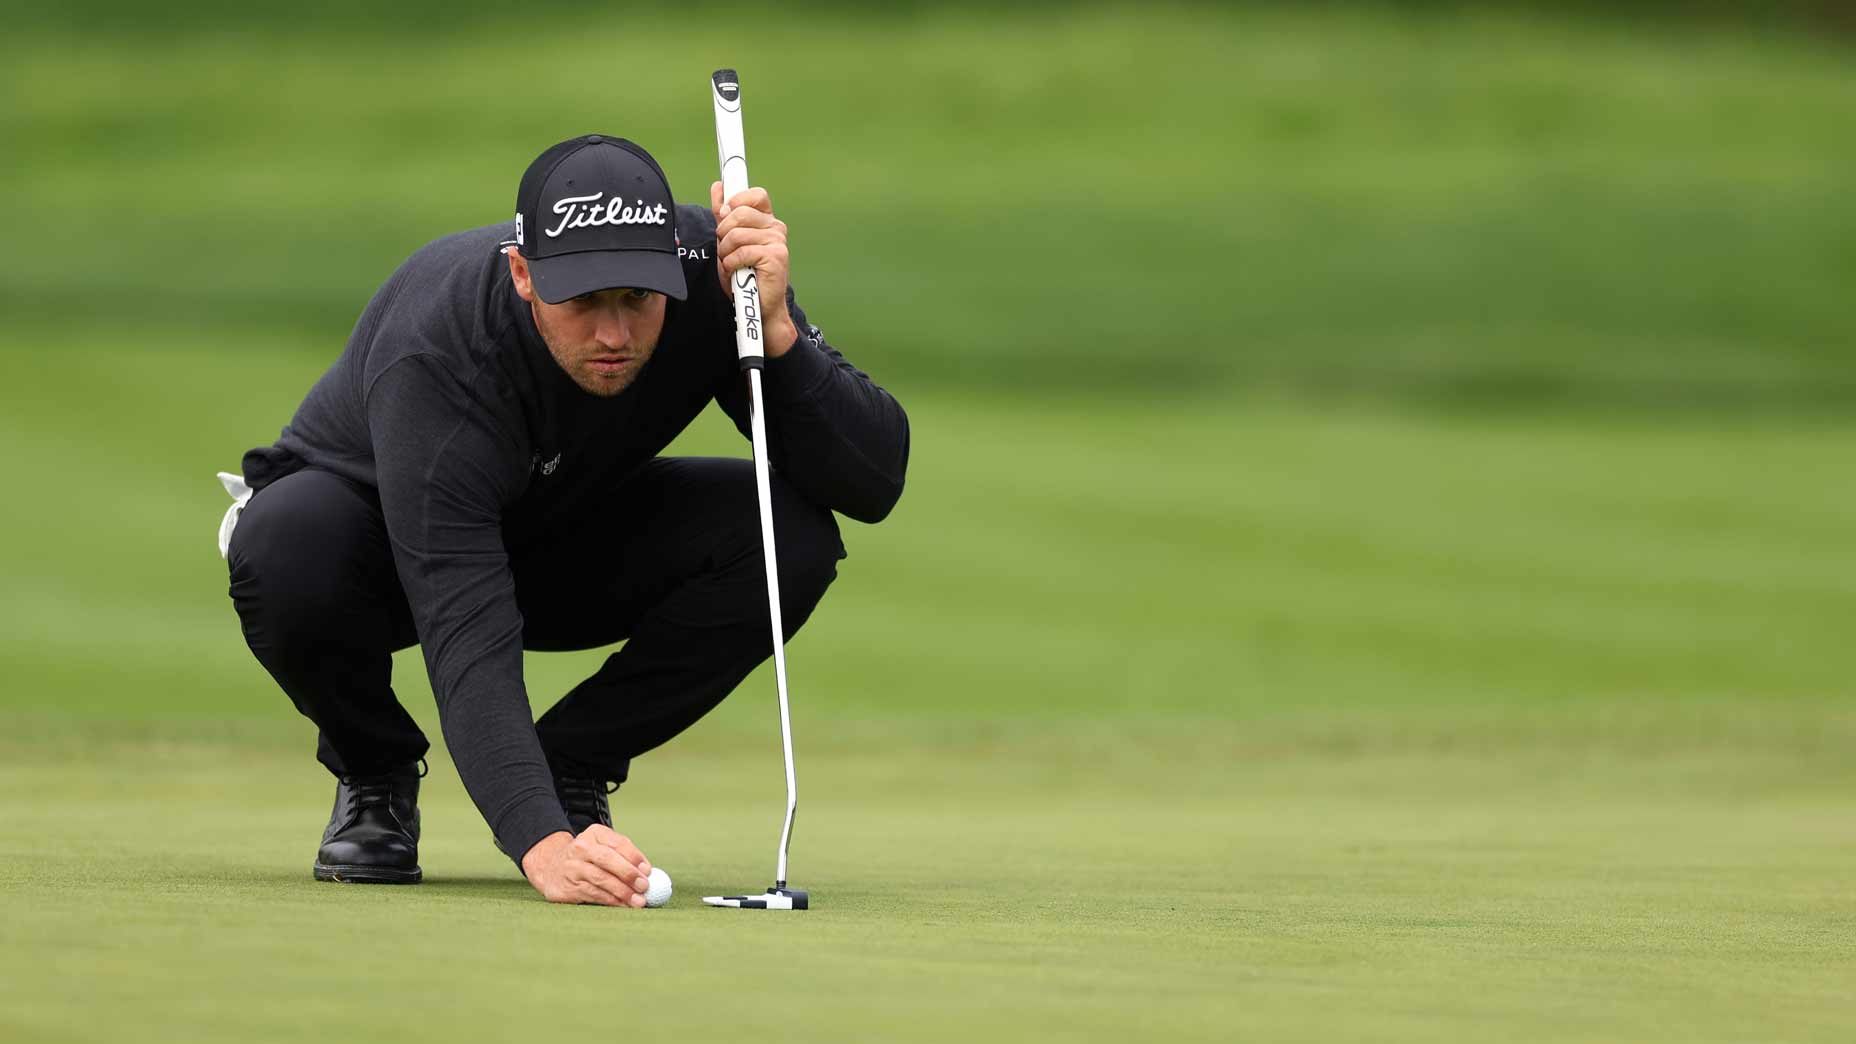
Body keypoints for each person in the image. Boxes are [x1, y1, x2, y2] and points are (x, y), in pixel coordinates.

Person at [216, 134, 909, 907]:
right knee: (284, 545)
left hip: (561, 532)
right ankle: (373, 770)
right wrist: (539, 841)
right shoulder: (439, 351)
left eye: (636, 301)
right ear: (523, 273)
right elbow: (463, 623)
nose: (613, 335)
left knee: (790, 536)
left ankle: (573, 761)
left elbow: (873, 480)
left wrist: (778, 335)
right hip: (380, 554)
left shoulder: (712, 273)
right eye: (582, 302)